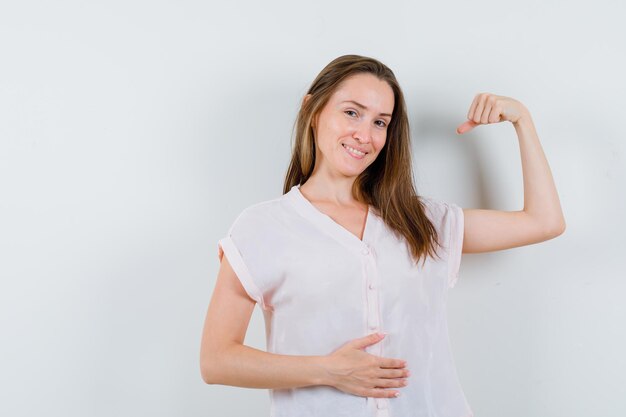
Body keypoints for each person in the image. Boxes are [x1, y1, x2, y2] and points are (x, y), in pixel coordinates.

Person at [199, 54, 565, 417]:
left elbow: (544, 221)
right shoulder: (263, 228)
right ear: (313, 110)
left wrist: (522, 121)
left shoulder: (421, 222)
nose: (364, 135)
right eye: (351, 112)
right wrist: (328, 370)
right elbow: (217, 360)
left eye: (380, 122)